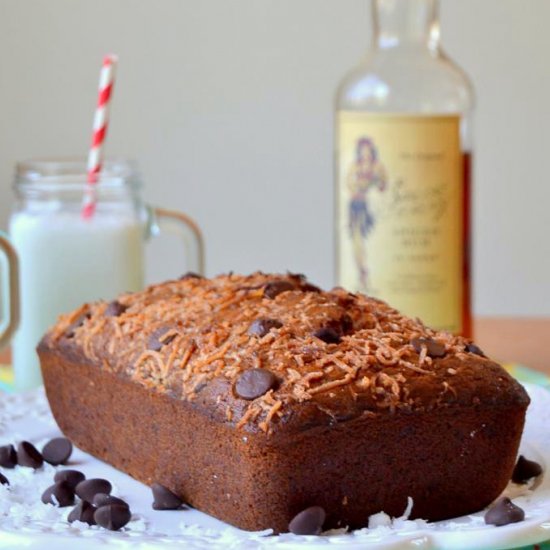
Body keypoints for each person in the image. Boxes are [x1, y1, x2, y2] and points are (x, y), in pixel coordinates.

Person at [347, 137, 387, 289]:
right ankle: (362, 275)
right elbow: (348, 183)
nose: (366, 154)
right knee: (357, 240)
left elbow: (384, 183)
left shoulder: (377, 166)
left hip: (374, 208)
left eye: (368, 150)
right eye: (363, 150)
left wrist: (375, 186)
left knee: (375, 240)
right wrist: (357, 189)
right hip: (357, 206)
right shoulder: (355, 166)